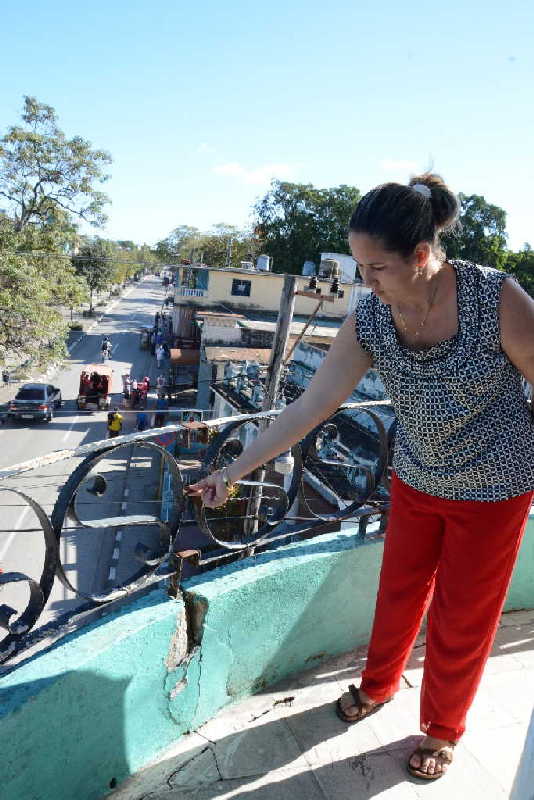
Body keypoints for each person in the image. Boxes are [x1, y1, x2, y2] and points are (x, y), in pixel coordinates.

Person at [186, 173, 534, 783]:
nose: (363, 281)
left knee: (463, 616)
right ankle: (378, 687)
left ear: (421, 257)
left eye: (375, 268)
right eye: (358, 266)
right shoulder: (373, 318)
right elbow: (308, 408)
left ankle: (442, 729)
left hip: (495, 489)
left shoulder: (496, 300)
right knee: (398, 594)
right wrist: (234, 471)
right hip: (418, 478)